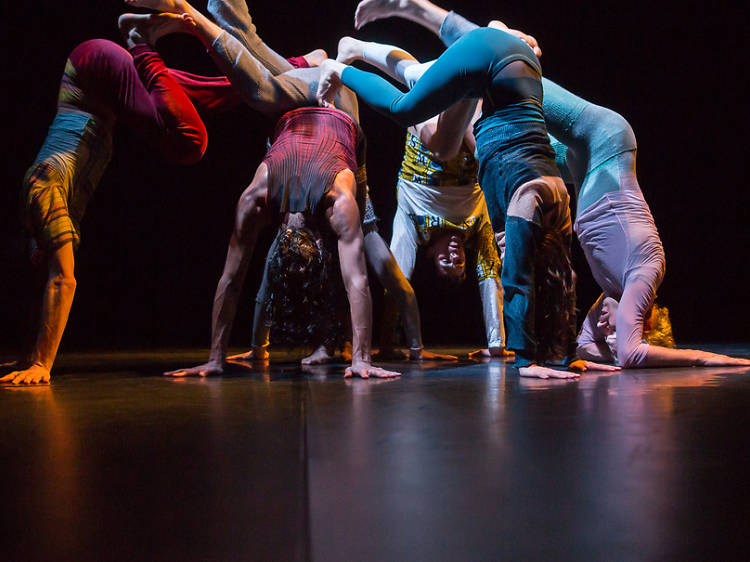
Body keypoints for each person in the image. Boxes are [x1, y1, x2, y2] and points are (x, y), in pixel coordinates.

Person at [372, 0, 750, 368]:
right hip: (604, 140)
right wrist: (707, 358)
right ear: (644, 319)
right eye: (620, 330)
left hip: (579, 169)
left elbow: (586, 347)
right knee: (505, 62)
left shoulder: (610, 289)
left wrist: (607, 352)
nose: (606, 328)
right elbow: (634, 354)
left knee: (483, 126)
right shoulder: (645, 274)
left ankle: (435, 71)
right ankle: (430, 15)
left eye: (611, 336)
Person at [317, 3, 620, 378]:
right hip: (492, 62)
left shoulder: (557, 212)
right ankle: (340, 68)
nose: (511, 253)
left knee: (438, 132)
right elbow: (516, 280)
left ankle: (366, 47)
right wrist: (525, 362)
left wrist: (564, 353)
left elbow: (563, 280)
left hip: (510, 70)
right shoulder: (528, 197)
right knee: (406, 108)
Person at [1, 13, 210, 385]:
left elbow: (63, 281)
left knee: (188, 141)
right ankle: (296, 70)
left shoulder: (42, 190)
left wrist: (40, 365)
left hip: (91, 69)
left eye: (37, 256)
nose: (42, 259)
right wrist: (26, 356)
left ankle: (137, 34)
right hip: (99, 85)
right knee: (199, 95)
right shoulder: (48, 202)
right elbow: (42, 287)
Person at [334, 37, 511, 359]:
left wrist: (388, 343)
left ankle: (355, 52)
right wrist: (496, 345)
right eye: (460, 263)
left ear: (430, 254)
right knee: (423, 76)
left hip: (424, 163)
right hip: (466, 148)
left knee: (423, 88)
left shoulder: (417, 225)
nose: (455, 255)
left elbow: (397, 275)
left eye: (446, 262)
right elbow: (491, 280)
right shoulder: (477, 228)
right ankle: (357, 50)